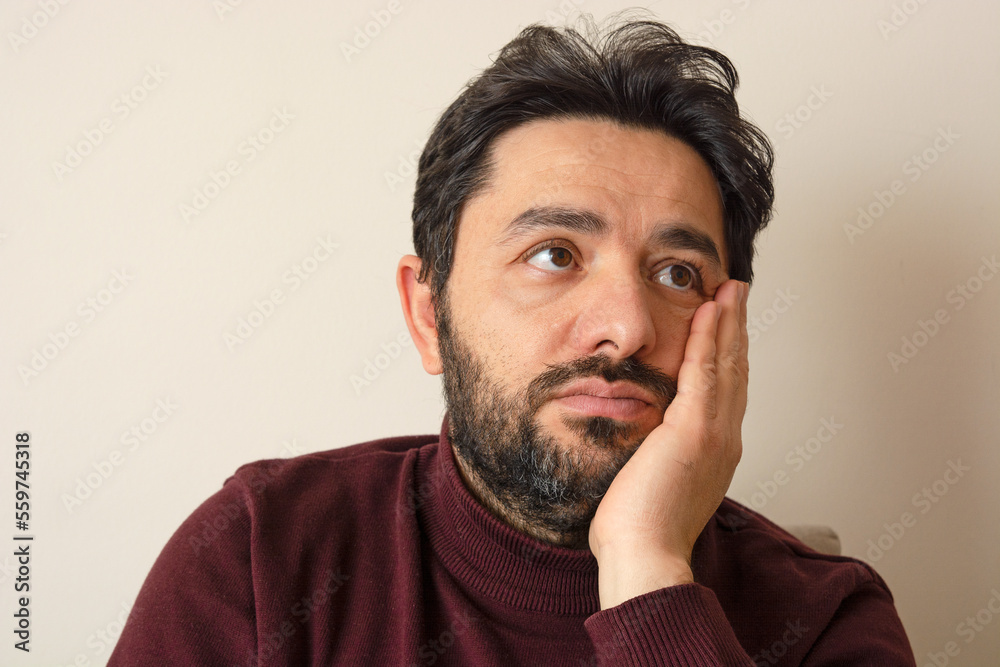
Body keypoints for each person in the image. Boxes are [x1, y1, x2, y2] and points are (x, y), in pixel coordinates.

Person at [110, 15, 916, 666]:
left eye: (676, 273)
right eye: (554, 255)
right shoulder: (261, 555)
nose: (628, 326)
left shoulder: (825, 621)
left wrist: (646, 577)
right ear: (428, 313)